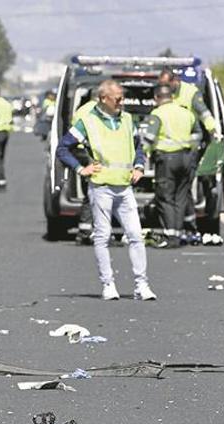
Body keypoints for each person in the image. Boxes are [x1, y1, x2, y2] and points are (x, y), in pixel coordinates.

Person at [56, 79, 157, 301]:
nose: (122, 102)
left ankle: (142, 285)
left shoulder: (128, 120)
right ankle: (108, 284)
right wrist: (81, 168)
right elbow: (63, 148)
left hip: (124, 187)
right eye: (117, 99)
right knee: (102, 236)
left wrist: (139, 166)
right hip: (101, 187)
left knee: (135, 235)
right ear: (103, 99)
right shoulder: (88, 122)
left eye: (122, 98)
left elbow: (138, 146)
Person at [157, 68, 219, 242]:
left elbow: (205, 114)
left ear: (175, 81)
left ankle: (187, 227)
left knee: (182, 191)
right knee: (178, 192)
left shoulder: (190, 93)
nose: (164, 89)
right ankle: (182, 226)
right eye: (161, 85)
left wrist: (214, 134)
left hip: (188, 149)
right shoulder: (166, 95)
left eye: (166, 85)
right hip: (169, 150)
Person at [141, 84, 200, 246]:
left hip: (167, 159)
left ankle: (171, 236)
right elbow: (197, 134)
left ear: (156, 98)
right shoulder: (186, 113)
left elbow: (149, 138)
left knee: (165, 197)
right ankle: (178, 233)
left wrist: (141, 156)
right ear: (172, 97)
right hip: (187, 158)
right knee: (181, 197)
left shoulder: (157, 114)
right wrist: (192, 152)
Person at [72, 93, 99, 244]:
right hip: (90, 152)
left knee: (89, 191)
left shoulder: (81, 109)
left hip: (79, 151)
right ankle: (86, 231)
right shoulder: (97, 110)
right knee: (94, 191)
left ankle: (85, 229)